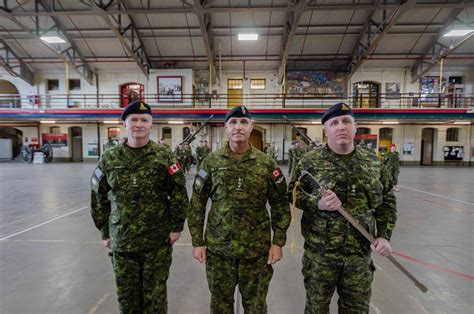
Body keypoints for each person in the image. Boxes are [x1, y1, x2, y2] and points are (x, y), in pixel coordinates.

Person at [288, 102, 397, 314]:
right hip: (320, 256)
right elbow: (292, 193)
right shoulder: (310, 161)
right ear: (326, 130)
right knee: (316, 309)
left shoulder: (374, 162)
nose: (341, 127)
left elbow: (386, 203)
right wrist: (316, 203)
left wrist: (384, 236)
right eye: (334, 122)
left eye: (347, 121)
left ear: (355, 127)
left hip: (359, 255)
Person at [188, 105, 291, 314]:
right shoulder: (211, 163)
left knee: (256, 307)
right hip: (219, 250)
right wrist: (197, 242)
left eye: (244, 122)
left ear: (252, 126)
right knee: (220, 306)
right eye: (233, 122)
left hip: (256, 251)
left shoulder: (266, 164)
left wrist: (278, 242)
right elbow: (197, 204)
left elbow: (280, 204)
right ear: (226, 127)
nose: (238, 127)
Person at [90, 100, 188, 313]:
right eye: (133, 119)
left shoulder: (164, 156)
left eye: (144, 120)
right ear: (125, 124)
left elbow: (179, 192)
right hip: (122, 240)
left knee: (155, 299)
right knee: (127, 300)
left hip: (157, 240)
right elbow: (98, 197)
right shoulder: (109, 158)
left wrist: (176, 227)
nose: (139, 124)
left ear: (151, 125)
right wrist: (104, 231)